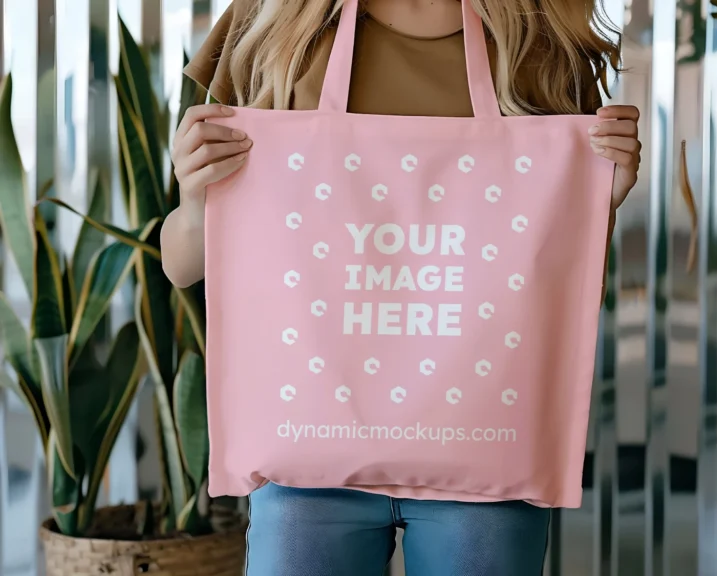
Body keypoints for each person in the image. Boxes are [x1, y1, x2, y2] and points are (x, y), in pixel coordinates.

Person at [160, 0, 641, 574]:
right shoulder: (274, 22)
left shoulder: (541, 35)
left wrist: (598, 204)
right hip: (308, 467)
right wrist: (195, 204)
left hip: (481, 466)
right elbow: (183, 266)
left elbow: (558, 290)